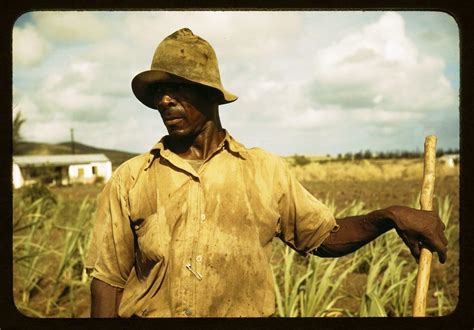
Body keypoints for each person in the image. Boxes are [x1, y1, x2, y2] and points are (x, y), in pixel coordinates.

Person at [86, 28, 448, 318]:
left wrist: (390, 216)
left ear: (210, 93)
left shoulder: (264, 170)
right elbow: (107, 281)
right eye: (159, 92)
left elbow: (323, 237)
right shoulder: (132, 177)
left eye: (176, 87)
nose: (164, 100)